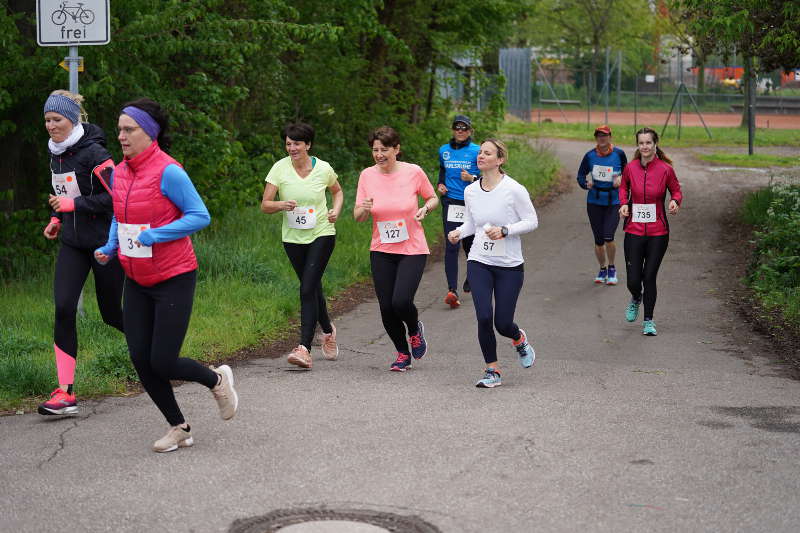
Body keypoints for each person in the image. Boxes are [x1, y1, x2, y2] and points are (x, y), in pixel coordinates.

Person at [95, 98, 238, 452]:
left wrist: (156, 235)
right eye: (120, 129)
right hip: (137, 278)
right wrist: (110, 245)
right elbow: (119, 215)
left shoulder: (169, 171)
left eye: (130, 129)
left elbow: (199, 215)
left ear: (150, 133)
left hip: (174, 275)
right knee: (140, 358)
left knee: (162, 360)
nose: (122, 136)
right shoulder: (121, 172)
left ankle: (216, 379)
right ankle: (179, 426)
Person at [39, 90, 124, 416]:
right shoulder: (56, 154)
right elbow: (65, 192)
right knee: (63, 308)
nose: (50, 126)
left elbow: (118, 198)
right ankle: (65, 391)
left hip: (104, 243)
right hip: (73, 244)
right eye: (47, 120)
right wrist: (57, 218)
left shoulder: (95, 154)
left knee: (112, 315)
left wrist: (74, 206)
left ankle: (158, 354)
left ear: (71, 120)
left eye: (56, 120)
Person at [447, 139, 538, 388]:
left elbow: (531, 221)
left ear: (500, 160)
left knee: (503, 323)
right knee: (484, 316)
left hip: (509, 264)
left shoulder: (514, 189)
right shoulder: (471, 190)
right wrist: (458, 232)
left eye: (488, 153)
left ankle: (518, 339)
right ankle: (492, 370)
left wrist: (506, 230)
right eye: (480, 153)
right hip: (479, 260)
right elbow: (472, 223)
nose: (481, 156)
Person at [354, 126, 438, 372]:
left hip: (412, 247)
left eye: (384, 149)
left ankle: (414, 329)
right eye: (375, 150)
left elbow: (432, 197)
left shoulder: (413, 172)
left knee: (401, 301)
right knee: (386, 306)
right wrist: (365, 209)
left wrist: (426, 208)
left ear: (397, 149)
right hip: (381, 248)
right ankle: (402, 353)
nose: (379, 154)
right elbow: (358, 216)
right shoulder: (367, 176)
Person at [260, 122, 343, 369]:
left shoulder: (324, 168)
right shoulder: (279, 169)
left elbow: (337, 192)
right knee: (312, 288)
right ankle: (327, 330)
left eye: (297, 143)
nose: (292, 148)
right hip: (293, 238)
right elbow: (265, 204)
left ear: (308, 144)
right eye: (288, 143)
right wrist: (281, 204)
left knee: (307, 288)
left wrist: (335, 211)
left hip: (321, 233)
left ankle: (304, 348)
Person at [618, 127, 682, 336]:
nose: (645, 146)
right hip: (634, 230)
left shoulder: (665, 169)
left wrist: (674, 201)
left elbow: (676, 189)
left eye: (648, 143)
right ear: (638, 145)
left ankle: (648, 321)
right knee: (633, 280)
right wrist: (623, 204)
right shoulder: (631, 168)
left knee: (649, 277)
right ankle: (636, 297)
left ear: (655, 144)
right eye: (641, 143)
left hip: (658, 232)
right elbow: (623, 188)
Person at [437, 114, 480, 308]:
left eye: (464, 128)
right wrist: (440, 184)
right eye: (457, 128)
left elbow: (486, 177)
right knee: (452, 244)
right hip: (451, 203)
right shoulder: (444, 151)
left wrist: (471, 178)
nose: (460, 131)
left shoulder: (477, 151)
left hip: (471, 203)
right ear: (453, 130)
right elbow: (442, 172)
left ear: (470, 131)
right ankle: (452, 290)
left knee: (469, 245)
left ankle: (471, 278)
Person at [576, 125, 627, 285]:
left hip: (614, 201)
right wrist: (585, 184)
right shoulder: (590, 156)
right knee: (598, 240)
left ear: (610, 136)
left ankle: (612, 268)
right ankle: (602, 268)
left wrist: (622, 180)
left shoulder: (619, 154)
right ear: (596, 138)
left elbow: (629, 173)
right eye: (599, 135)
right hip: (594, 201)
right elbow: (580, 175)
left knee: (608, 236)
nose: (602, 138)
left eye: (604, 135)